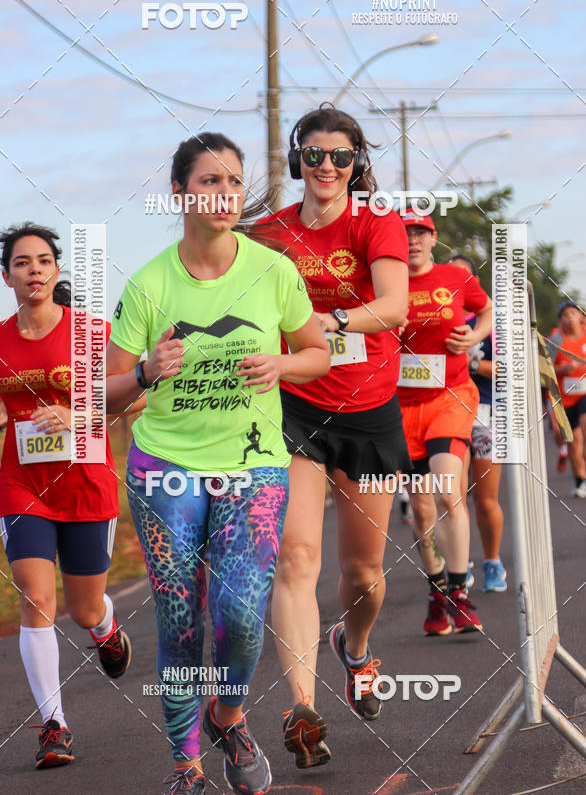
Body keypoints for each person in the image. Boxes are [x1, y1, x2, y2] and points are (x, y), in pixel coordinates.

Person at [106, 132, 329, 795]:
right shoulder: (149, 284)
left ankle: (226, 715)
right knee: (179, 615)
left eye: (234, 180)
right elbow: (104, 392)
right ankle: (187, 765)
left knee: (240, 610)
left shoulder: (273, 271)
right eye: (209, 181)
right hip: (165, 465)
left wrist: (282, 363)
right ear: (179, 193)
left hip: (253, 466)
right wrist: (146, 371)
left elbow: (318, 350)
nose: (225, 192)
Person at [254, 104, 410, 769]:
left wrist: (327, 320)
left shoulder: (375, 222)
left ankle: (355, 646)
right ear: (297, 161)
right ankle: (302, 708)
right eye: (313, 155)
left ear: (356, 164)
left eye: (340, 157)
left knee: (363, 572)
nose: (325, 166)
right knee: (295, 559)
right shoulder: (267, 233)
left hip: (370, 408)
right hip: (292, 406)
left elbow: (394, 306)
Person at [0, 223, 132, 770]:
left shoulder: (92, 333)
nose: (34, 268)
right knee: (35, 599)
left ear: (56, 270)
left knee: (81, 609)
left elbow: (136, 399)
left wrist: (78, 417)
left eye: (44, 260)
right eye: (22, 261)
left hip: (85, 483)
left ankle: (104, 627)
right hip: (21, 483)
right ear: (7, 275)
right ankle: (54, 724)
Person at [397, 213, 492, 636]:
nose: (412, 240)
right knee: (420, 512)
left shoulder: (455, 276)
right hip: (399, 407)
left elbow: (486, 310)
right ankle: (437, 593)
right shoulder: (383, 282)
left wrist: (474, 338)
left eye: (420, 233)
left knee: (448, 489)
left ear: (433, 239)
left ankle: (460, 593)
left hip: (450, 396)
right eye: (404, 234)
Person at [447, 253, 506, 594]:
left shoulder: (490, 320)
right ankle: (460, 565)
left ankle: (493, 563)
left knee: (485, 498)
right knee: (452, 497)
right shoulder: (435, 316)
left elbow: (506, 370)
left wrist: (472, 361)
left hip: (484, 411)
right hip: (448, 409)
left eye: (463, 276)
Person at [549, 301, 586, 498]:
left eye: (573, 313)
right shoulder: (555, 340)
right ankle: (580, 481)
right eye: (565, 314)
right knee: (573, 440)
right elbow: (544, 369)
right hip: (565, 396)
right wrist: (562, 369)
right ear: (560, 319)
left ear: (581, 317)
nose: (569, 317)